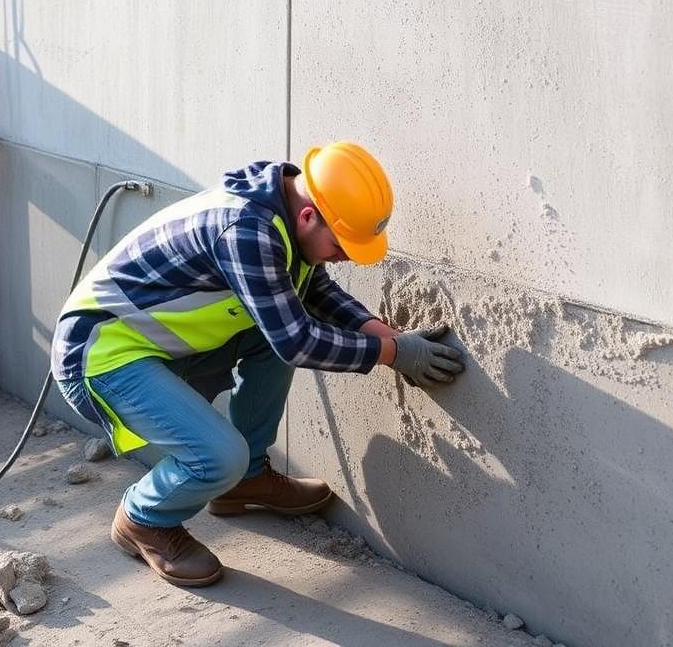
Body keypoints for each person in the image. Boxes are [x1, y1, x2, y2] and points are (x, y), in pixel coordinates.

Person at [50, 141, 465, 587]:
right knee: (219, 453)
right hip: (100, 355)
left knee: (278, 332)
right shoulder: (248, 233)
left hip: (154, 343)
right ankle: (143, 518)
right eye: (341, 245)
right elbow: (297, 341)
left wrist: (387, 335)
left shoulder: (283, 210)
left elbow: (314, 293)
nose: (345, 256)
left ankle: (243, 481)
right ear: (309, 216)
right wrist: (393, 355)